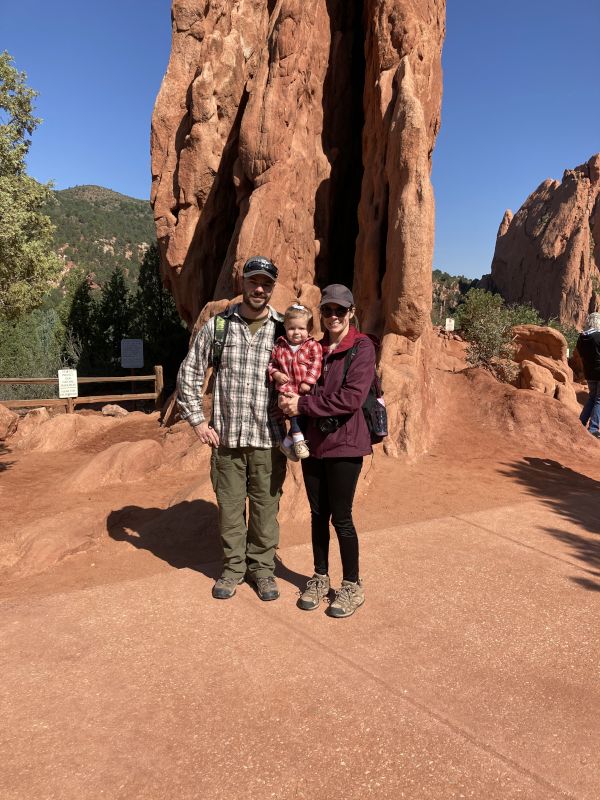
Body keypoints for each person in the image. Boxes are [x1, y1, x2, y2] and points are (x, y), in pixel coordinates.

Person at [177, 256, 287, 601]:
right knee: (229, 508)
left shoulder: (284, 330)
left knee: (266, 510)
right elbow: (190, 373)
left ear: (272, 288)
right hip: (226, 439)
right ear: (242, 283)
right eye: (254, 281)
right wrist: (197, 421)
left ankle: (263, 570)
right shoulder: (219, 327)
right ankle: (233, 568)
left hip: (268, 439)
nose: (259, 289)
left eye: (266, 284)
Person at [279, 284, 376, 618]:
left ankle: (352, 585)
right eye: (327, 311)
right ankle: (320, 577)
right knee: (318, 514)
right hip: (314, 445)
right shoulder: (314, 348)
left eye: (339, 310)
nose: (333, 316)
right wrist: (285, 396)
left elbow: (351, 398)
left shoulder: (361, 347)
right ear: (320, 314)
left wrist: (302, 403)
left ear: (350, 312)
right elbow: (293, 378)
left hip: (346, 444)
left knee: (342, 516)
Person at [268, 304, 323, 461]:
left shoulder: (313, 345)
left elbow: (316, 364)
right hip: (286, 389)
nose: (296, 332)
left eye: (301, 328)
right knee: (293, 413)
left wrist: (308, 381)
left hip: (305, 390)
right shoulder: (280, 346)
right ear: (285, 326)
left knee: (303, 417)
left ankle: (286, 443)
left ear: (308, 328)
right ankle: (298, 441)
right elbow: (272, 364)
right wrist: (276, 374)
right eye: (292, 328)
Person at [576, 311, 600, 439]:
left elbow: (580, 354)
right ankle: (594, 428)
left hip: (589, 372)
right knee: (599, 399)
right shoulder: (599, 336)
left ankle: (580, 423)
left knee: (592, 398)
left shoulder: (582, 337)